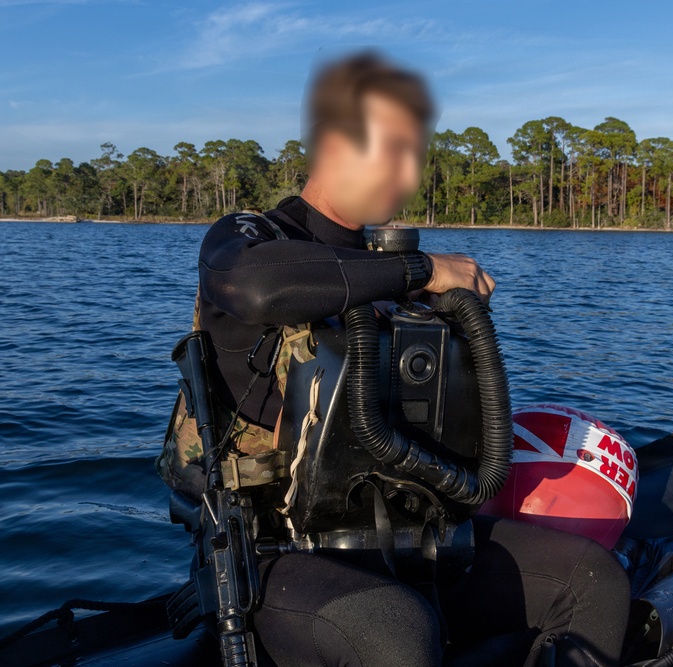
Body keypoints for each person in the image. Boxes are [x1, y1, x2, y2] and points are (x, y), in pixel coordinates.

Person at [167, 52, 630, 667]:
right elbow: (254, 286)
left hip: (411, 534)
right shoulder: (248, 242)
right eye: (394, 152)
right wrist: (423, 269)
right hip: (277, 554)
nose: (409, 174)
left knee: (592, 581)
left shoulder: (390, 281)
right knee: (395, 632)